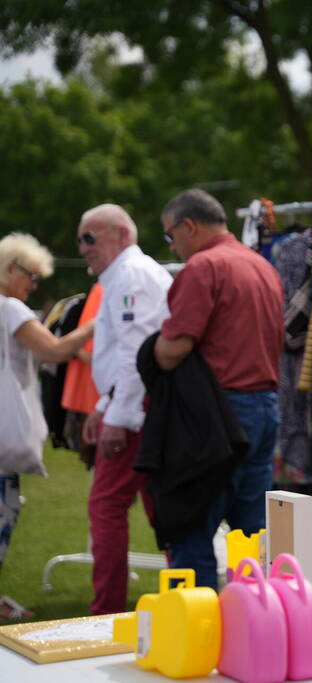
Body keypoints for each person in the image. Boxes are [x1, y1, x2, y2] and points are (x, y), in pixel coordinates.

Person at [155, 188, 284, 589]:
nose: (172, 246)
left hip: (216, 416)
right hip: (265, 408)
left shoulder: (204, 266)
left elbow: (173, 349)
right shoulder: (261, 265)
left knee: (193, 527)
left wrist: (151, 347)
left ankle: (195, 621)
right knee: (250, 536)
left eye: (170, 235)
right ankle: (255, 616)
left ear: (189, 226)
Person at [77, 204, 173, 615]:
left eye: (89, 238)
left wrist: (116, 416)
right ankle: (186, 596)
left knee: (107, 505)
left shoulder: (131, 274)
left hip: (140, 409)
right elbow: (127, 352)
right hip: (142, 405)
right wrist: (104, 405)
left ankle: (106, 611)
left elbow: (137, 351)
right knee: (160, 506)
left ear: (121, 234)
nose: (82, 248)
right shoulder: (126, 274)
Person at [0, 233, 95, 619]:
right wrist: (95, 323)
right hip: (5, 433)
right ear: (11, 269)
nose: (34, 285)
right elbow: (54, 350)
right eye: (32, 276)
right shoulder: (10, 309)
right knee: (4, 510)